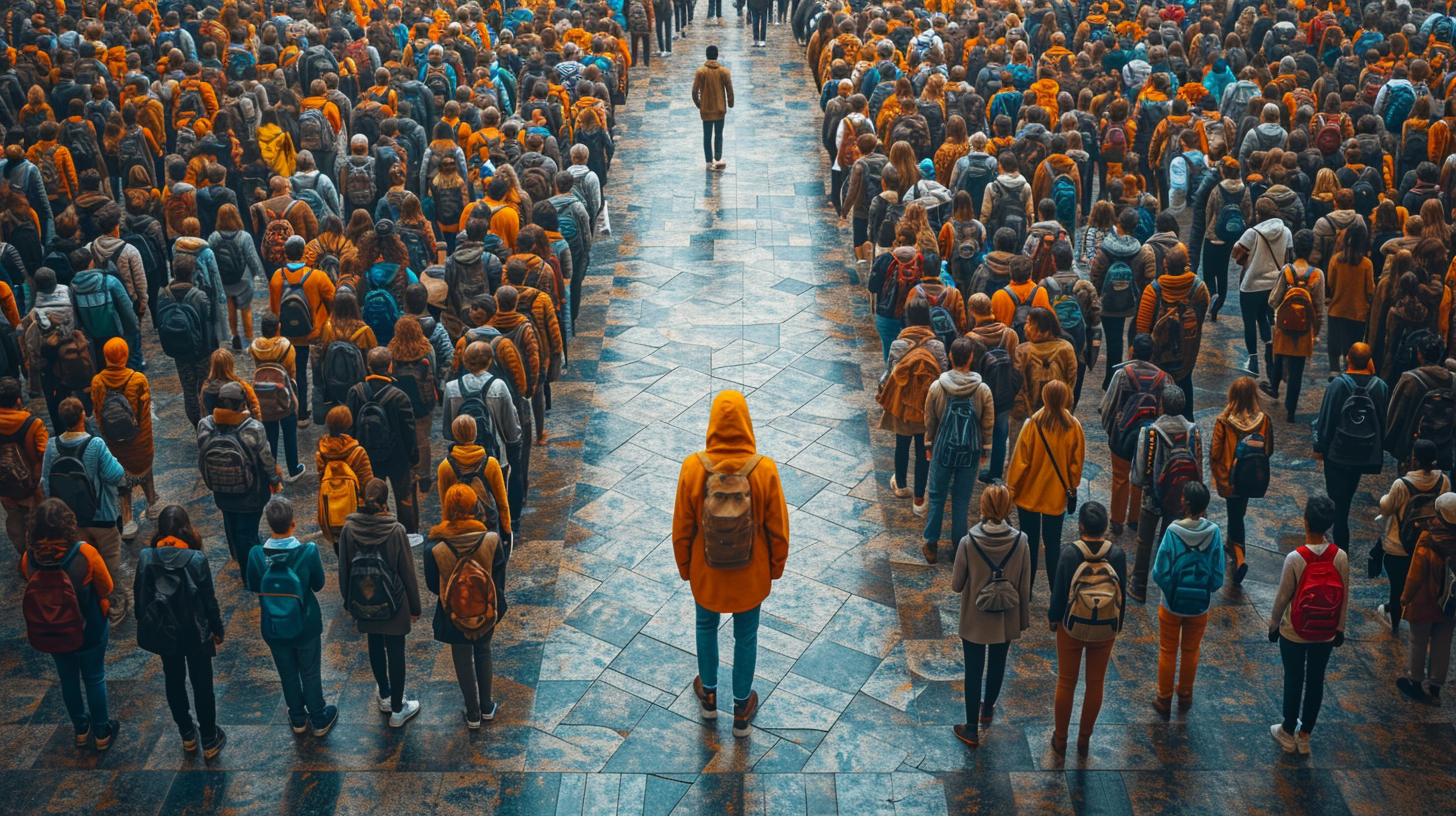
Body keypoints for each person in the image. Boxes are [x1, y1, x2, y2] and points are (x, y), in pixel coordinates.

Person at [674, 390, 789, 738]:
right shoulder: (764, 469)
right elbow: (778, 528)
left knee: (705, 626)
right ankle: (741, 709)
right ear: (745, 423)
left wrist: (685, 568)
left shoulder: (693, 467)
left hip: (706, 572)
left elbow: (682, 527)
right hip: (749, 575)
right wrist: (775, 567)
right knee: (747, 636)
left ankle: (709, 696)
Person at [20, 498, 118, 751]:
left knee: (68, 680)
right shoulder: (84, 553)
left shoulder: (28, 558)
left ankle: (81, 729)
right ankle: (102, 731)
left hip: (51, 632)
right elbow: (106, 587)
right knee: (94, 678)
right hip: (89, 629)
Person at [134, 505, 226, 759]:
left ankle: (187, 734)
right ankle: (209, 738)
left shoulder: (146, 556)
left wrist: (144, 621)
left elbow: (140, 595)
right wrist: (217, 629)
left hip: (166, 632)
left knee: (173, 680)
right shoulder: (196, 559)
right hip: (195, 632)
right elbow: (209, 600)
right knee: (202, 684)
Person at [247, 496, 338, 738]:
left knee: (287, 673)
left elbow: (255, 585)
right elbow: (318, 585)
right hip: (305, 623)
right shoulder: (307, 552)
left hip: (273, 626)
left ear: (269, 524)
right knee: (310, 671)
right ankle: (319, 717)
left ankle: (298, 717)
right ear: (293, 523)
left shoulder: (256, 555)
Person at [949, 483, 1031, 746]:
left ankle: (971, 728)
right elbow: (1025, 584)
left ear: (983, 508)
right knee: (998, 661)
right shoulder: (1022, 541)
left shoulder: (968, 542)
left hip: (975, 617)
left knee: (973, 671)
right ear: (1008, 508)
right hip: (1005, 616)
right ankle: (988, 709)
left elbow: (956, 585)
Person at [337, 478, 423, 727]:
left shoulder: (348, 530)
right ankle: (398, 709)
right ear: (386, 503)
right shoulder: (395, 531)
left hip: (363, 600)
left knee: (373, 643)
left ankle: (384, 695)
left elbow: (343, 569)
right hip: (394, 603)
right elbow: (407, 572)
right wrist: (415, 608)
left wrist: (349, 603)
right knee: (396, 650)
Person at [1268, 495, 1348, 755]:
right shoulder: (1340, 557)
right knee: (1316, 681)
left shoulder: (1295, 558)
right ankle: (1305, 736)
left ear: (1305, 522)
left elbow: (1283, 597)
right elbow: (1344, 596)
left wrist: (1273, 625)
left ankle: (1287, 731)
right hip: (1325, 632)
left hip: (1295, 631)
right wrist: (1340, 629)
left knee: (1293, 679)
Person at [425, 483, 509, 728]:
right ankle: (486, 707)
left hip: (452, 614)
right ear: (475, 508)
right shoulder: (491, 540)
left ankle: (472, 714)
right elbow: (498, 578)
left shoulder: (434, 547)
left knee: (461, 658)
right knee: (483, 650)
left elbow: (432, 584)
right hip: (486, 610)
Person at [1048, 501, 1127, 759]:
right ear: (1104, 528)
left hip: (1071, 627)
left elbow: (1060, 593)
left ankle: (1060, 740)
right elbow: (1122, 594)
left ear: (1081, 526)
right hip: (1106, 628)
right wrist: (1118, 626)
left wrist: (1053, 619)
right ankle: (1084, 739)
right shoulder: (1117, 555)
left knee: (1066, 682)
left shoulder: (1069, 553)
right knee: (1095, 683)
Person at [41, 396, 128, 623]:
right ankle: (115, 600)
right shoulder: (95, 444)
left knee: (82, 561)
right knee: (110, 558)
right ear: (82, 416)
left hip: (72, 519)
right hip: (102, 515)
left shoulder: (52, 446)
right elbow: (115, 475)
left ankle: (92, 602)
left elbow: (45, 483)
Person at [1150, 481, 1224, 715]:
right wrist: (1203, 589)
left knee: (1167, 650)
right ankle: (1185, 696)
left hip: (1171, 605)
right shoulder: (1214, 533)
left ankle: (1164, 698)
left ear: (1184, 503)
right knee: (1191, 650)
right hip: (1200, 607)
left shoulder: (1172, 532)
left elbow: (1159, 572)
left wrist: (1172, 590)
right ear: (1205, 507)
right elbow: (1219, 576)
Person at [921, 336, 995, 564]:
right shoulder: (982, 390)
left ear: (951, 357)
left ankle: (931, 544)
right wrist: (985, 449)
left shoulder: (937, 387)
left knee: (936, 496)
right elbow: (987, 422)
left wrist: (929, 444)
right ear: (971, 358)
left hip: (942, 449)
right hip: (970, 452)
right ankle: (958, 547)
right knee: (961, 501)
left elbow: (930, 419)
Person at [1005, 379, 1084, 588]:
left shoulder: (1032, 424)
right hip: (1055, 496)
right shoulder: (1074, 426)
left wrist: (1011, 489)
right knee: (1053, 546)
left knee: (1029, 545)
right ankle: (1054, 590)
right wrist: (1071, 484)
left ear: (1044, 397)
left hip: (1029, 494)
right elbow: (1076, 464)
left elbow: (1020, 462)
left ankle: (1026, 591)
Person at [1129, 386, 1203, 603]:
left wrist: (1144, 485)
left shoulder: (1149, 432)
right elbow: (1199, 466)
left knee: (1144, 541)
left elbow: (1139, 472)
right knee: (1171, 542)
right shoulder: (1193, 431)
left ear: (1161, 404)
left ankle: (1138, 586)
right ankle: (1166, 587)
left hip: (1153, 496)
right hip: (1182, 499)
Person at [1312, 342, 1389, 551]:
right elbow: (1383, 420)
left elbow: (1326, 418)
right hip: (1363, 453)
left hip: (1337, 454)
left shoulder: (1338, 385)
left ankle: (1340, 549)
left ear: (1348, 359)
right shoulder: (1380, 386)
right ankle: (1339, 541)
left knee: (1339, 504)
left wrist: (1319, 445)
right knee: (1345, 497)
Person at [197, 382, 281, 569]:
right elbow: (267, 459)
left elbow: (202, 457)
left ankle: (237, 555)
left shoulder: (206, 425)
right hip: (252, 493)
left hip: (221, 490)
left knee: (231, 525)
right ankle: (250, 573)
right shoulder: (252, 428)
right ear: (243, 404)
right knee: (247, 534)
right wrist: (275, 480)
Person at [878, 296, 948, 513]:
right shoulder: (937, 345)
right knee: (922, 450)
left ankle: (900, 484)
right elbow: (944, 376)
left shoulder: (899, 344)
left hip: (903, 406)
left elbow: (890, 374)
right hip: (927, 406)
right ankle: (919, 499)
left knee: (901, 444)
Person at [1375, 440, 1449, 636]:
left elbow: (1387, 507)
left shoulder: (1401, 484)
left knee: (1398, 587)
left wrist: (1383, 497)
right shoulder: (1444, 481)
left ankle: (1395, 620)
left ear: (1414, 459)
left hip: (1399, 546)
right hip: (1429, 543)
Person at [345, 347, 420, 534]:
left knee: (370, 496)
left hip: (366, 456)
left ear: (368, 367)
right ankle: (408, 535)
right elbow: (409, 431)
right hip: (398, 457)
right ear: (390, 366)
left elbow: (350, 427)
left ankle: (372, 530)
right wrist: (413, 457)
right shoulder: (399, 396)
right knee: (405, 499)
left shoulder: (355, 392)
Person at [89, 337, 157, 539]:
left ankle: (127, 518)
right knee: (145, 464)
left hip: (115, 449)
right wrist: (142, 441)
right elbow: (145, 419)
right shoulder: (138, 380)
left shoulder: (98, 382)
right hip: (141, 447)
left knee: (121, 480)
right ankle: (152, 501)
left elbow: (99, 417)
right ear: (125, 355)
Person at [1099, 334, 1166, 536]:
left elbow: (1107, 406)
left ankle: (1117, 520)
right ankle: (1135, 519)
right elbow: (1164, 410)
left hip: (1122, 434)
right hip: (1149, 436)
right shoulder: (1163, 378)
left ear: (1131, 352)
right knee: (1143, 475)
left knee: (1120, 477)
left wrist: (1112, 430)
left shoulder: (1122, 375)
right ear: (1152, 354)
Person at [1209, 377, 1271, 589]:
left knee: (1235, 515)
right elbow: (1268, 450)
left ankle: (1239, 556)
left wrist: (1220, 477)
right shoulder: (1264, 420)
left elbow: (1216, 453)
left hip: (1230, 477)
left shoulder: (1224, 421)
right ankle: (1231, 545)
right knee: (1238, 512)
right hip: (1253, 476)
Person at [269, 234, 336, 428]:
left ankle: (300, 414)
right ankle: (323, 409)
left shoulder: (276, 277)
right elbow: (333, 298)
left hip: (288, 335)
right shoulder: (317, 276)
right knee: (319, 373)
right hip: (314, 333)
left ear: (286, 254)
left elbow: (274, 309)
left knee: (295, 373)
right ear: (303, 253)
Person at [1260, 229, 1325, 421]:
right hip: (1304, 329)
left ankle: (1274, 385)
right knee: (1297, 370)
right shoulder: (1317, 275)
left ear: (1294, 250)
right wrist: (1316, 330)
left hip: (1284, 325)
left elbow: (1273, 300)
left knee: (1279, 353)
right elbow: (1320, 307)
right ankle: (1291, 409)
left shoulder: (1286, 271)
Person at [1398, 492, 1456, 705]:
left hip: (1424, 599)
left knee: (1418, 640)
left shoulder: (1428, 537)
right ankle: (1435, 686)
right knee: (1443, 642)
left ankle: (1414, 681)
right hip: (1449, 602)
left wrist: (1405, 597)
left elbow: (1416, 573)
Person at [1231, 198, 1292, 376]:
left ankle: (1253, 362)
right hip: (1274, 285)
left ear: (1259, 214)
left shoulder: (1252, 233)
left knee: (1250, 323)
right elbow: (1289, 256)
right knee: (1266, 318)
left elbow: (1235, 251)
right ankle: (1270, 351)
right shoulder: (1286, 231)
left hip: (1251, 286)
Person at [250, 313, 306, 481]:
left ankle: (272, 469)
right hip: (285, 391)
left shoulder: (255, 346)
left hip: (262, 392)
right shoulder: (286, 346)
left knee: (270, 434)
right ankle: (293, 469)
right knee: (289, 432)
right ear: (278, 328)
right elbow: (291, 371)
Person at [438, 414, 512, 539]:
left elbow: (445, 506)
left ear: (455, 435)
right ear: (475, 433)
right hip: (486, 526)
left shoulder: (445, 467)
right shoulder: (491, 464)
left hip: (458, 528)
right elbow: (502, 503)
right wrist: (507, 530)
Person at [0, 376, 47, 555]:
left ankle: (23, 555)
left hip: (4, 486)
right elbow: (43, 452)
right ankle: (38, 555)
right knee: (35, 520)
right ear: (18, 400)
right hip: (30, 486)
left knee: (14, 518)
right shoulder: (32, 423)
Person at [692, 46, 734, 170]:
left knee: (707, 135)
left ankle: (709, 161)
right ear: (717, 55)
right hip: (720, 108)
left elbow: (694, 91)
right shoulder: (724, 71)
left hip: (706, 109)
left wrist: (699, 104)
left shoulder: (701, 72)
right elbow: (729, 90)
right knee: (719, 134)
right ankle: (718, 156)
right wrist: (730, 103)